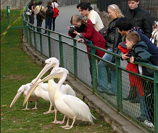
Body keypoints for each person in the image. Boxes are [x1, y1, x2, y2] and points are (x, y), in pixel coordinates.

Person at [115, 17, 158, 124]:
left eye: (118, 29)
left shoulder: (136, 37)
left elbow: (142, 52)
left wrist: (135, 58)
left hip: (153, 66)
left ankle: (150, 119)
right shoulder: (134, 34)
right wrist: (124, 56)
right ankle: (148, 117)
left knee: (150, 95)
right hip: (149, 67)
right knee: (149, 94)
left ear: (121, 29)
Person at [121, 32, 154, 126]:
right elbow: (131, 54)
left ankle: (148, 119)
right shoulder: (135, 48)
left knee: (146, 97)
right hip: (145, 76)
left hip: (148, 76)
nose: (125, 44)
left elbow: (146, 56)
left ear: (131, 42)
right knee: (143, 96)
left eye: (126, 42)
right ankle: (145, 116)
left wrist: (135, 59)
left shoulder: (139, 47)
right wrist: (123, 57)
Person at [97, 4, 123, 94]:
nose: (109, 14)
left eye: (110, 12)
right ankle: (114, 90)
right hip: (113, 48)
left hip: (113, 48)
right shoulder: (116, 21)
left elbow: (117, 37)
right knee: (113, 69)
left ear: (115, 11)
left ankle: (103, 86)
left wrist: (114, 53)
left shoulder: (117, 22)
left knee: (101, 65)